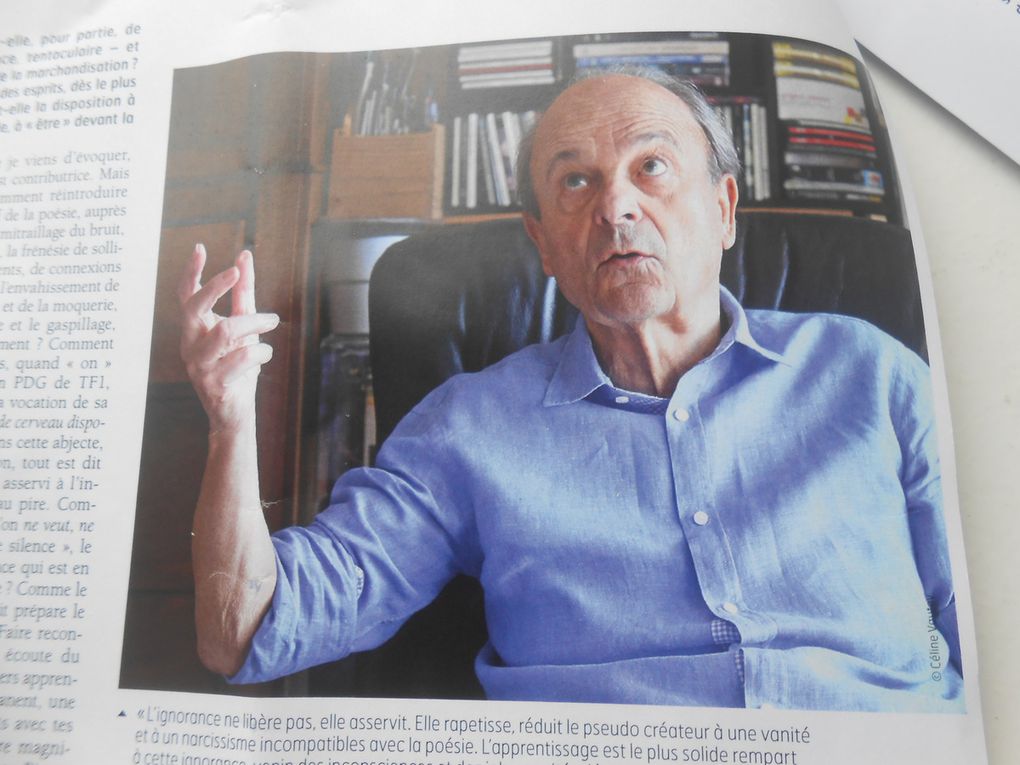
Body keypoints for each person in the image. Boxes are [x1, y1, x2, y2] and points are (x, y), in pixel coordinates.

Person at [178, 70, 962, 711]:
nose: (616, 206)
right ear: (544, 242)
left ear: (723, 209)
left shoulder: (870, 372)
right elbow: (243, 631)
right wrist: (230, 419)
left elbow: (983, 617)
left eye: (651, 167)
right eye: (576, 181)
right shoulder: (469, 427)